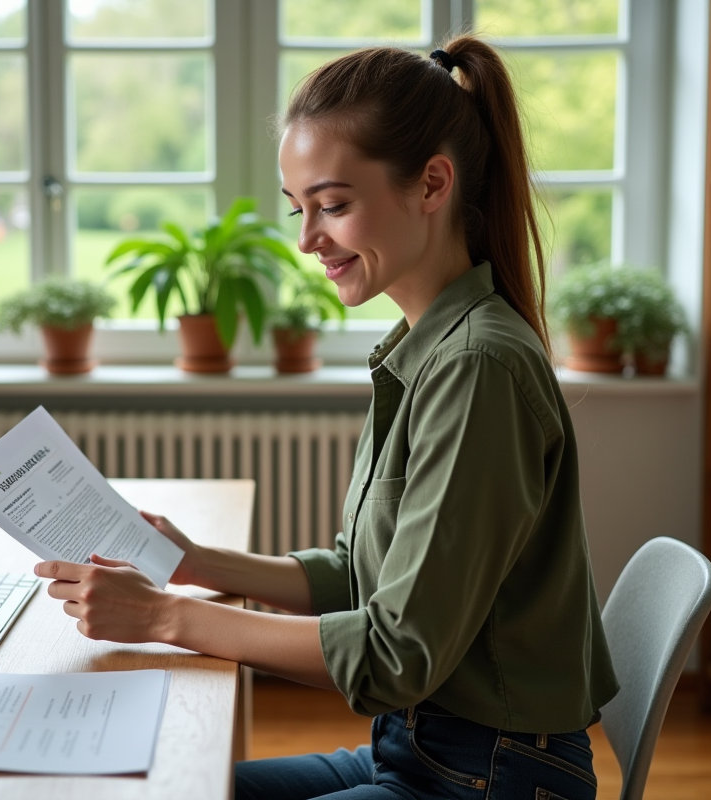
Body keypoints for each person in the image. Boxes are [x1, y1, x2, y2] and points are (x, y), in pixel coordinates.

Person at [34, 35, 618, 800]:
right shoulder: (427, 347)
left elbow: (394, 653)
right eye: (299, 210)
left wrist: (167, 618)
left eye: (333, 206)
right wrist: (194, 562)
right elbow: (358, 577)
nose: (308, 240)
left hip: (489, 773)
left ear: (432, 183)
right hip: (422, 751)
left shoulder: (478, 367)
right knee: (173, 785)